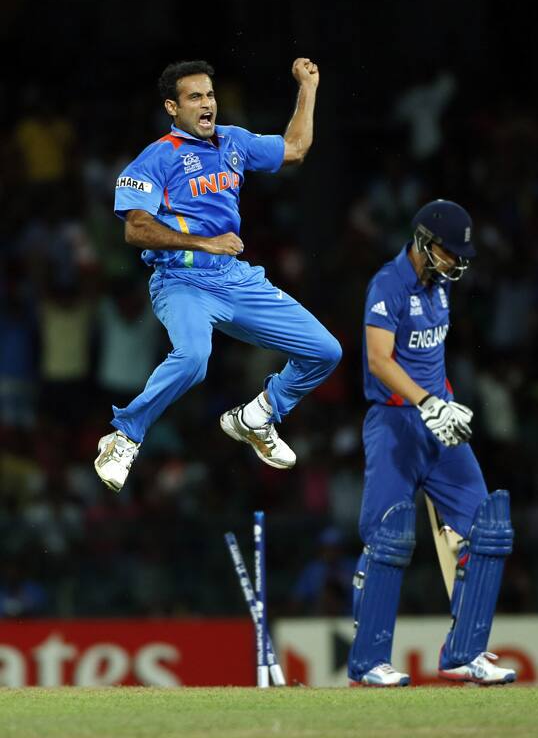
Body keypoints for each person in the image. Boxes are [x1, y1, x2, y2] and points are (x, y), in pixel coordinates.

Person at [94, 58, 341, 492]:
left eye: (210, 95)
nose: (207, 104)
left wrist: (308, 88)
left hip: (234, 277)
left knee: (325, 351)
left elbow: (296, 149)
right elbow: (135, 229)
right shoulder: (157, 157)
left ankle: (258, 416)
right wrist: (203, 242)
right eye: (194, 97)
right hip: (180, 281)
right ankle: (124, 436)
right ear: (173, 107)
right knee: (193, 358)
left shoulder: (234, 141)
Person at [348, 200, 516, 687]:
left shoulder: (442, 286)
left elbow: (429, 360)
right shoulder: (387, 284)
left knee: (490, 528)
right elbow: (379, 361)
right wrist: (426, 403)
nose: (457, 261)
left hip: (437, 422)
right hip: (395, 425)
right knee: (389, 537)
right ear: (423, 242)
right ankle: (368, 663)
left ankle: (466, 653)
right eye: (449, 251)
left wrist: (444, 406)